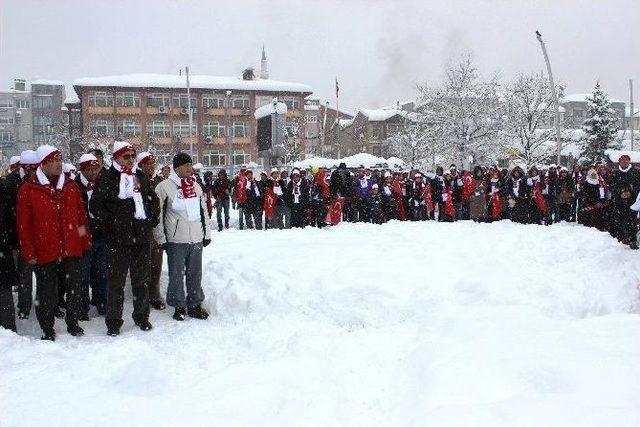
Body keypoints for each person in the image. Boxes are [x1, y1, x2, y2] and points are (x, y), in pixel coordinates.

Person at [17, 145, 90, 340]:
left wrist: (84, 240)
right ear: (43, 163)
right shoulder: (28, 189)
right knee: (46, 291)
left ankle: (73, 322)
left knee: (73, 289)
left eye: (60, 159)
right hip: (45, 249)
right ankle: (47, 327)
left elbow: (81, 218)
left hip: (71, 248)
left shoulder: (71, 186)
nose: (59, 163)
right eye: (54, 160)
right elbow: (24, 225)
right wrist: (29, 252)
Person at [90, 141, 160, 336]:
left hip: (141, 238)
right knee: (116, 283)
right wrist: (111, 224)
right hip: (117, 241)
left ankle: (141, 317)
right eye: (126, 156)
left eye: (132, 156)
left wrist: (150, 221)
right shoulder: (107, 177)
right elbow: (96, 205)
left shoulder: (139, 176)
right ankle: (113, 322)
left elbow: (153, 200)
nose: (130, 160)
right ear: (116, 158)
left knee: (141, 281)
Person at [154, 152, 211, 321]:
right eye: (186, 165)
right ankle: (178, 305)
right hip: (176, 239)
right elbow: (158, 215)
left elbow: (203, 212)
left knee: (195, 273)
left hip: (195, 238)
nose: (190, 168)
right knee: (176, 274)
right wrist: (161, 238)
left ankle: (194, 304)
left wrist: (206, 233)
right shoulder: (164, 187)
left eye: (191, 165)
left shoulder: (195, 186)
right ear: (177, 167)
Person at [75, 153, 108, 318]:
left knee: (101, 272)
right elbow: (74, 215)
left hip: (101, 234)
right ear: (83, 169)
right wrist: (82, 234)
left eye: (96, 169)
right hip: (83, 235)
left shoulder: (102, 182)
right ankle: (82, 306)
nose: (94, 172)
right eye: (90, 169)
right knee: (82, 274)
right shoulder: (74, 186)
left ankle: (101, 301)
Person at [137, 151, 166, 311]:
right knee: (142, 263)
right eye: (148, 163)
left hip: (157, 226)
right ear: (141, 165)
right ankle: (141, 294)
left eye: (153, 163)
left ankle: (154, 292)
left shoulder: (159, 181)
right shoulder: (136, 180)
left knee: (156, 262)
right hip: (140, 228)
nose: (151, 166)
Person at [608, 154, 640, 248]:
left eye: (626, 161)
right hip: (619, 201)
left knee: (632, 222)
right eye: (622, 161)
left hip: (632, 201)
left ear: (629, 161)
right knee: (619, 221)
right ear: (619, 162)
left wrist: (632, 191)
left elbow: (638, 185)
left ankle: (632, 240)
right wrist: (619, 192)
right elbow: (611, 186)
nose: (624, 162)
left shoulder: (635, 172)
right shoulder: (615, 173)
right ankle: (621, 238)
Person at [0, 182, 18, 332]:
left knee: (4, 292)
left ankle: (8, 332)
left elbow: (9, 219)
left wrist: (13, 244)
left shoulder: (2, 188)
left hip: (2, 247)